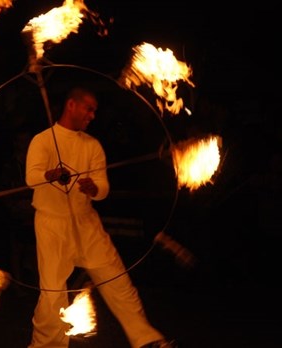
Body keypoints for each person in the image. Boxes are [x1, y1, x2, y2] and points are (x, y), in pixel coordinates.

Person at [25, 86, 174, 348]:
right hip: (52, 224)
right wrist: (49, 175)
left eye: (94, 110)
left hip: (86, 223)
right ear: (71, 105)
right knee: (52, 294)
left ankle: (147, 340)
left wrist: (93, 189)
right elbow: (31, 177)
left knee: (117, 281)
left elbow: (103, 187)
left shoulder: (92, 145)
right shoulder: (43, 140)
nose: (92, 115)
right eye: (89, 108)